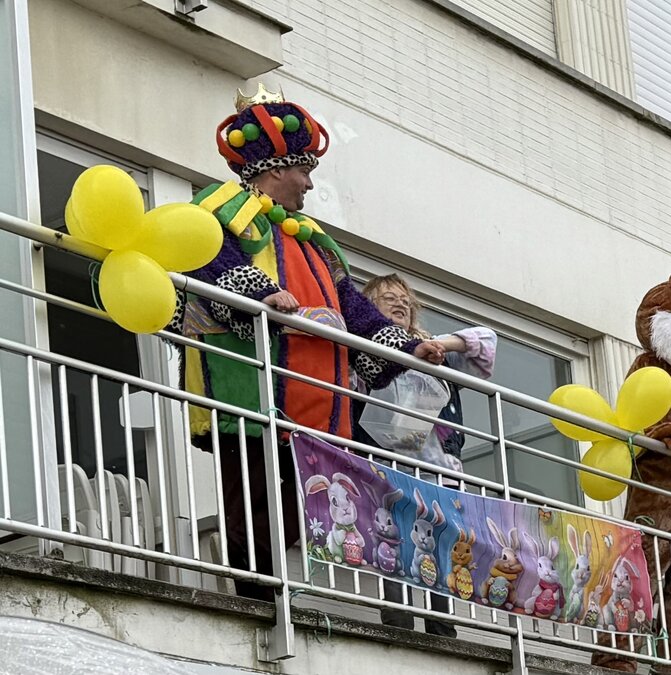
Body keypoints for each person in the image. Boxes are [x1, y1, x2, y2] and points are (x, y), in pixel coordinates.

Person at [175, 84, 444, 601]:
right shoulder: (219, 209)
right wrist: (257, 294)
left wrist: (407, 348)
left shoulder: (312, 241)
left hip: (317, 408)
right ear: (277, 170)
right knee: (251, 501)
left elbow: (354, 309)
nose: (309, 184)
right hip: (250, 394)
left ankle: (269, 591)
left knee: (301, 508)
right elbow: (206, 256)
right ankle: (256, 597)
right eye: (304, 171)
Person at [355, 273, 497, 637]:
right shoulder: (362, 349)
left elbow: (486, 340)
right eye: (389, 298)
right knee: (393, 540)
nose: (400, 303)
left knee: (440, 546)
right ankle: (399, 625)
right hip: (386, 465)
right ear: (368, 307)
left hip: (439, 468)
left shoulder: (436, 352)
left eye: (405, 300)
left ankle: (441, 628)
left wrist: (435, 345)